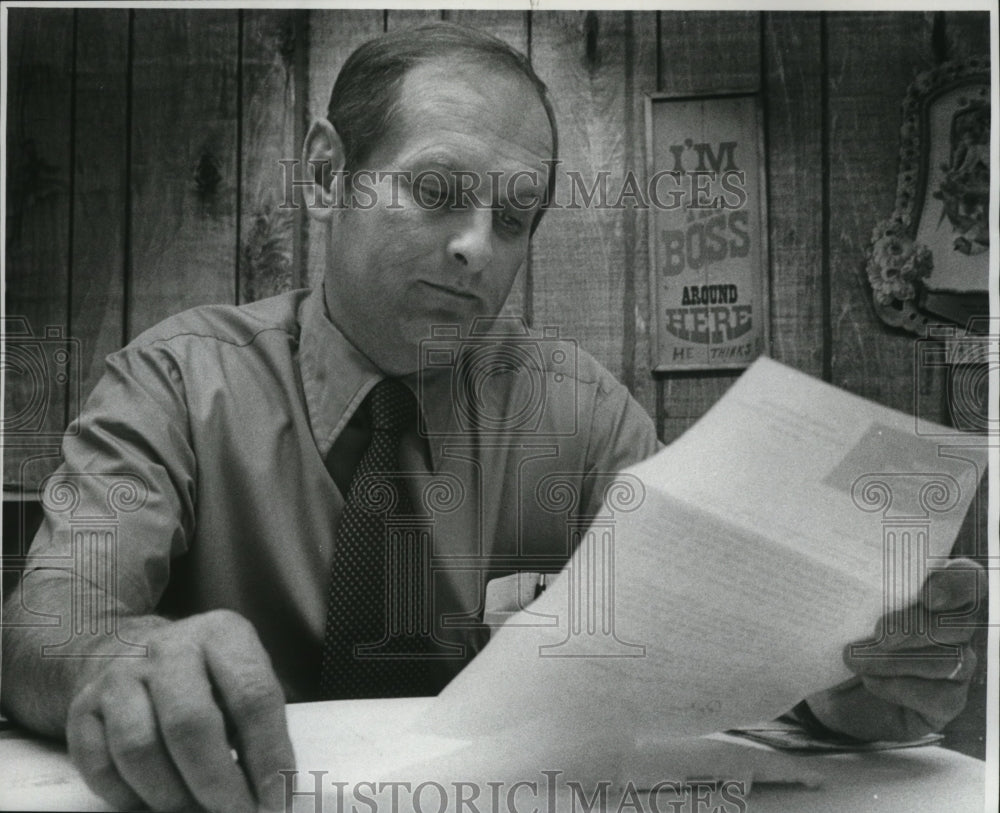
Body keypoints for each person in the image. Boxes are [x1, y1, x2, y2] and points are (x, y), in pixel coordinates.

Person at [1, 22, 985, 813]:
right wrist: (114, 654)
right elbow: (45, 618)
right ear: (323, 176)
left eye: (515, 217)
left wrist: (844, 688)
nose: (478, 247)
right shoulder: (172, 380)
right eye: (436, 192)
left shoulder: (582, 412)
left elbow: (712, 659)